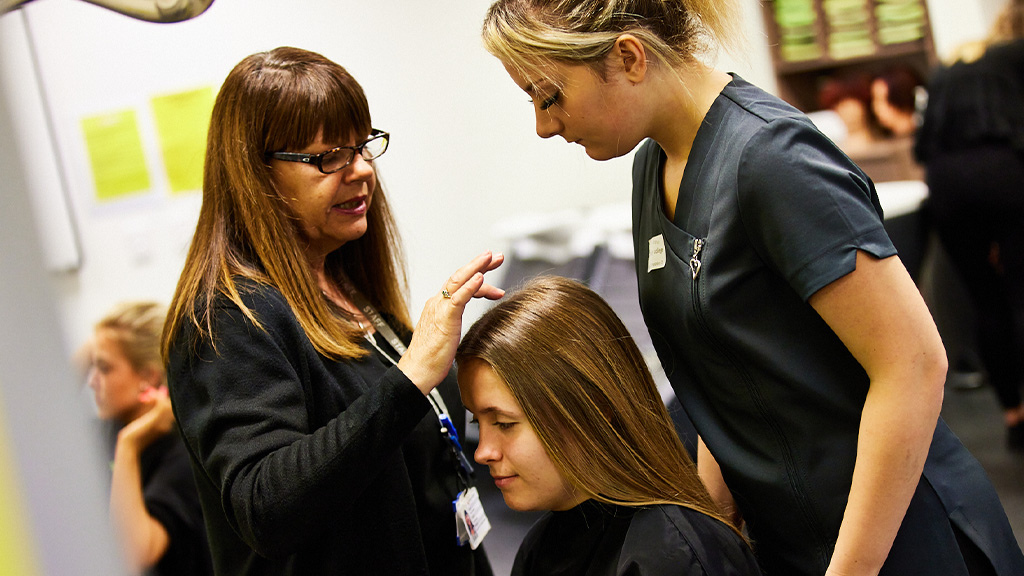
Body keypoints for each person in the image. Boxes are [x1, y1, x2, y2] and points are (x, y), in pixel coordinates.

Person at [481, 1, 1024, 575]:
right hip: (790, 537)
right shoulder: (652, 169)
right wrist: (716, 531)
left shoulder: (770, 158)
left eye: (550, 95)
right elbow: (717, 371)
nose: (544, 124)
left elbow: (913, 365)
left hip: (894, 535)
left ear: (629, 57)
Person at [161, 46, 502, 575]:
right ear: (257, 175)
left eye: (363, 147)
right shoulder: (228, 317)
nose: (362, 171)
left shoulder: (344, 283)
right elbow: (267, 507)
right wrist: (411, 376)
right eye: (329, 157)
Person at [457, 276, 762, 576]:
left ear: (596, 409)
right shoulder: (541, 547)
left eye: (505, 424)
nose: (483, 452)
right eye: (476, 421)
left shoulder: (674, 558)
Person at [915, 0, 1024, 451]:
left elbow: (924, 141)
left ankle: (1015, 419)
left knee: (986, 300)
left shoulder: (957, 58)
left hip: (947, 184)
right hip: (1005, 175)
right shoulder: (1018, 56)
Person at [88, 301, 213, 576]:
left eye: (104, 369)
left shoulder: (182, 454)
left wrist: (129, 447)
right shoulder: (109, 427)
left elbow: (134, 553)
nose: (92, 381)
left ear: (147, 377)